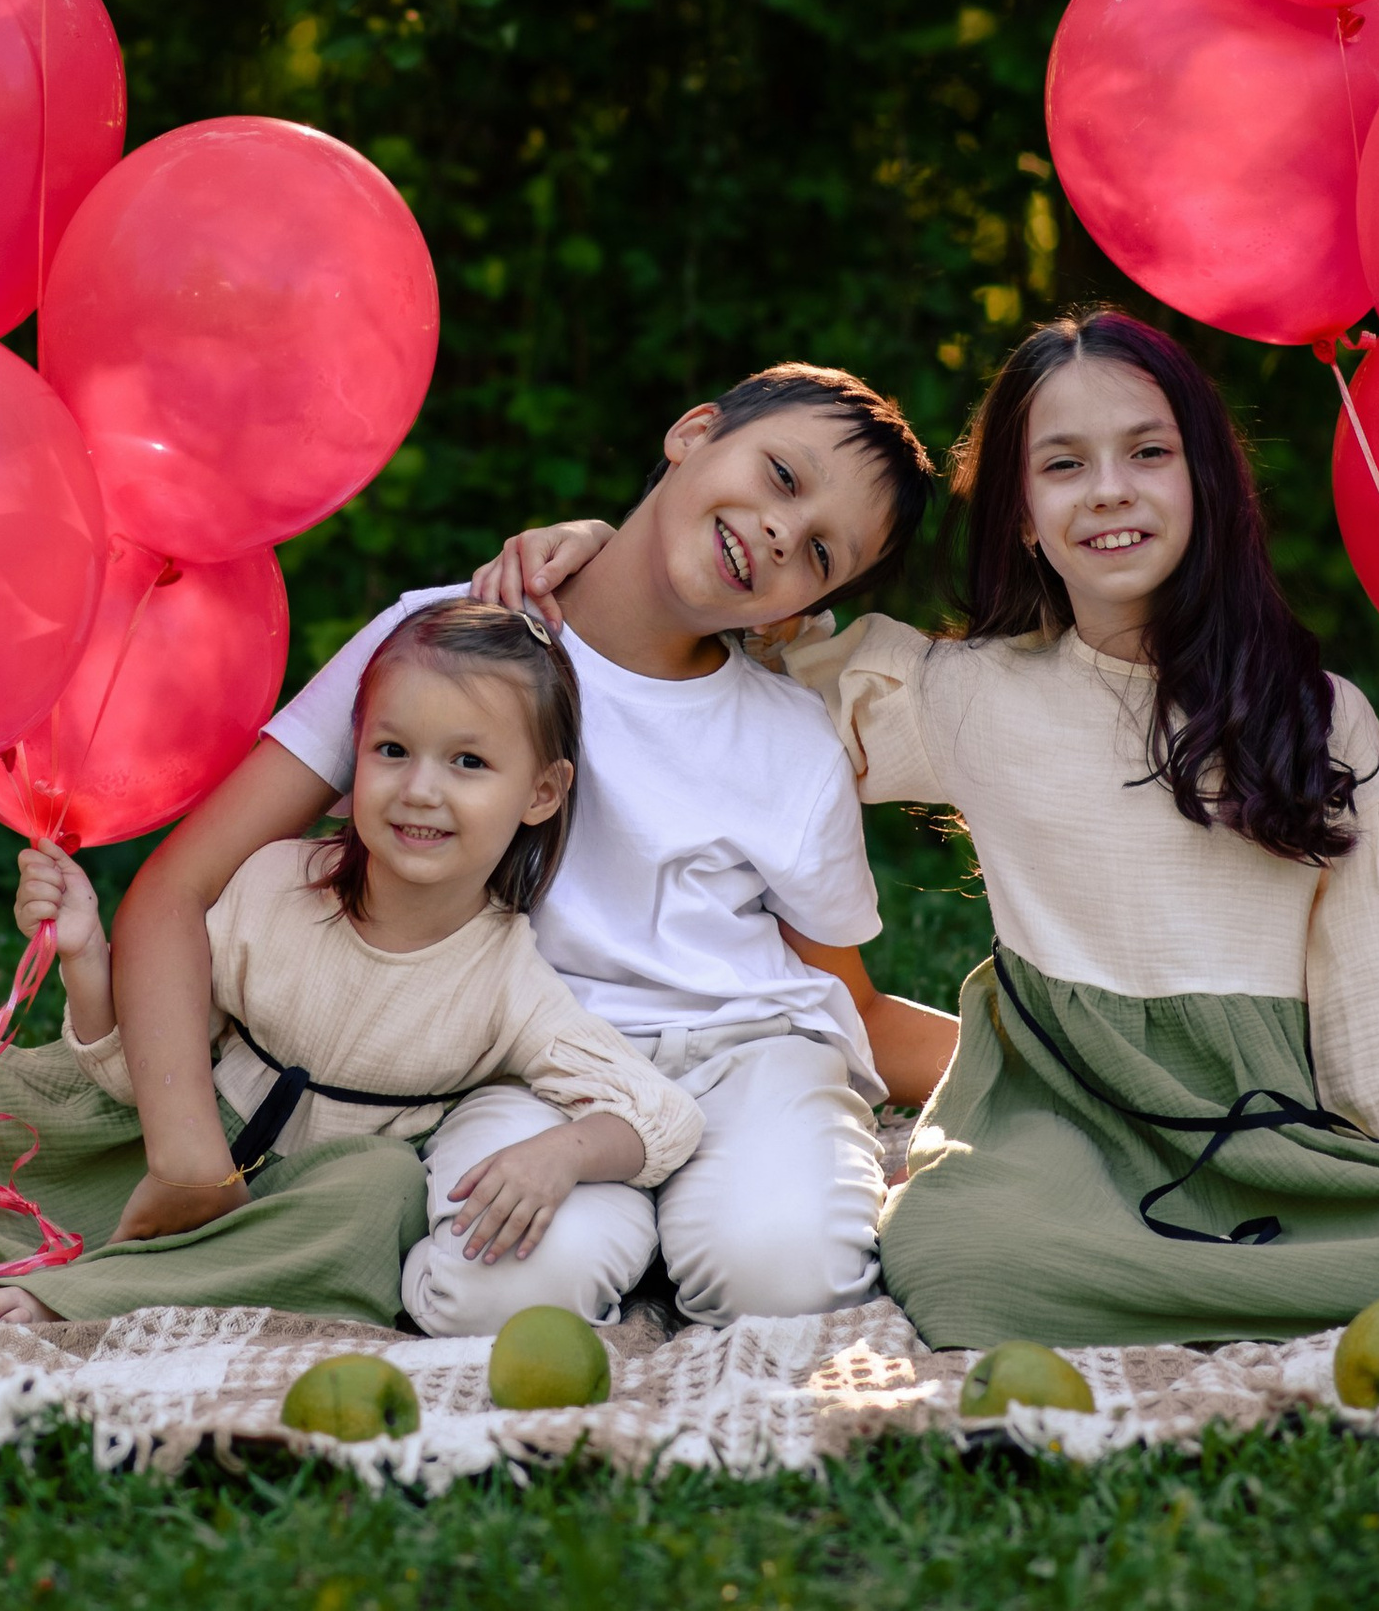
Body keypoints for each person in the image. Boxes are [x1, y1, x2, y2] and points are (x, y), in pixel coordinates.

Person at [489, 310, 1379, 1347]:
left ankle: (1191, 1270)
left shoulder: (1312, 712)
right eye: (1062, 466)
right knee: (953, 1262)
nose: (1108, 493)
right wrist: (587, 553)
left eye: (1147, 452)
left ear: (1207, 481)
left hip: (1264, 1123)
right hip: (1062, 1131)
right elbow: (728, 664)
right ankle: (1230, 1276)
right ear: (1018, 513)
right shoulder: (966, 695)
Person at [105, 362, 952, 1333]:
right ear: (692, 433)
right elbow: (179, 888)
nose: (776, 530)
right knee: (491, 1294)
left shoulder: (791, 742)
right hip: (531, 1057)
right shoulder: (441, 648)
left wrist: (1054, 1066)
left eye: (816, 552)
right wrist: (187, 1159)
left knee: (786, 1277)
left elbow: (846, 998)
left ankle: (712, 1224)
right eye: (781, 477)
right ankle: (638, 1237)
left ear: (802, 607)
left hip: (746, 1054)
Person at [0, 599, 699, 1327]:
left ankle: (80, 1297)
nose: (420, 789)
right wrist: (88, 958)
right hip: (150, 1158)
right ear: (352, 766)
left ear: (542, 793)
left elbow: (658, 1115)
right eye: (391, 750)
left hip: (284, 1216)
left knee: (379, 1200)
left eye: (467, 763)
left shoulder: (507, 979)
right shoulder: (272, 886)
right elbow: (136, 1074)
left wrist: (559, 1155)